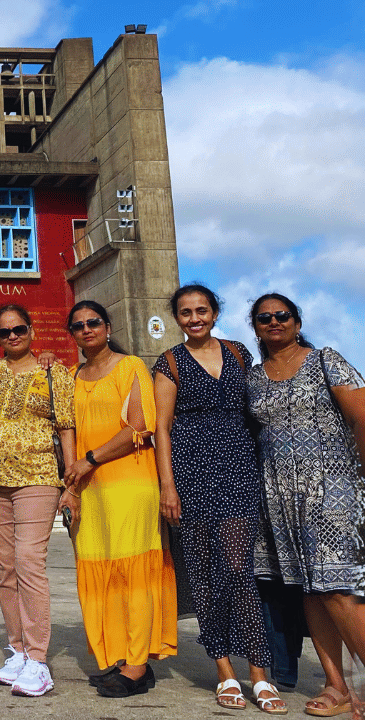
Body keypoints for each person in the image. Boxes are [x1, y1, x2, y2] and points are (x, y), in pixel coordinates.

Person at [152, 284, 285, 712]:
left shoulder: (240, 353)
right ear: (177, 318)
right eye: (186, 312)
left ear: (214, 312)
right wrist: (167, 486)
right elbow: (162, 429)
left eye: (202, 310)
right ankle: (224, 671)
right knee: (205, 574)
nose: (195, 318)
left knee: (238, 569)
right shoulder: (169, 361)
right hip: (191, 473)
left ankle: (259, 674)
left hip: (239, 469)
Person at [246, 293, 365, 719]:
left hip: (333, 489)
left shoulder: (325, 360)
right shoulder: (254, 377)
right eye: (265, 318)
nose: (274, 322)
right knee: (310, 590)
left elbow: (361, 416)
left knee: (338, 588)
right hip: (279, 497)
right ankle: (337, 686)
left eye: (282, 315)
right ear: (255, 327)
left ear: (296, 322)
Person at [63, 300, 176, 698]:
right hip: (91, 490)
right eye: (78, 326)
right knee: (100, 572)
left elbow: (139, 428)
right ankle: (118, 654)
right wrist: (72, 485)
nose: (87, 329)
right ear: (72, 335)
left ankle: (138, 664)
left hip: (130, 484)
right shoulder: (73, 377)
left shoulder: (131, 367)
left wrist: (88, 460)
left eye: (94, 322)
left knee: (133, 572)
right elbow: (67, 430)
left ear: (108, 326)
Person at [0, 304, 77, 698]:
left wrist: (72, 483)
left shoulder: (53, 372)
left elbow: (66, 426)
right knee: (5, 568)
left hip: (38, 477)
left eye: (18, 329)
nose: (12, 336)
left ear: (31, 331)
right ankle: (15, 650)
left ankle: (38, 658)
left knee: (30, 562)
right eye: (4, 332)